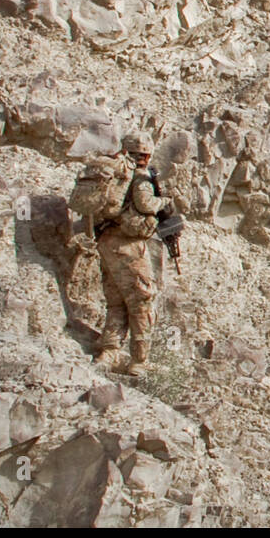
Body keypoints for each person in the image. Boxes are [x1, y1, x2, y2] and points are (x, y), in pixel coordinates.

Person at [93, 133, 171, 377]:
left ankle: (109, 352)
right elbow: (146, 204)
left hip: (106, 241)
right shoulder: (140, 178)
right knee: (142, 299)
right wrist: (165, 202)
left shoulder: (114, 176)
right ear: (145, 154)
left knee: (116, 300)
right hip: (129, 246)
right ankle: (139, 360)